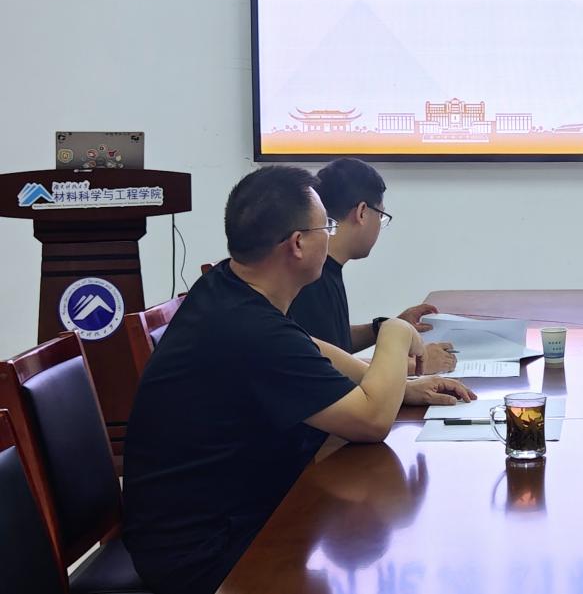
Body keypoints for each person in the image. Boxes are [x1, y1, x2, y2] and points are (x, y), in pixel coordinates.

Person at [123, 166, 475, 594]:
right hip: (207, 553)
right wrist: (395, 332)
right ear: (297, 244)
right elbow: (371, 423)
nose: (331, 237)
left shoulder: (227, 286)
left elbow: (306, 344)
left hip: (227, 517)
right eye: (326, 227)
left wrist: (396, 386)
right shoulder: (249, 331)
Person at [288, 157, 454, 373]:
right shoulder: (312, 278)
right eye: (381, 216)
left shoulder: (327, 268)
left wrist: (388, 328)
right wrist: (416, 365)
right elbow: (324, 367)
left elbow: (333, 343)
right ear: (362, 212)